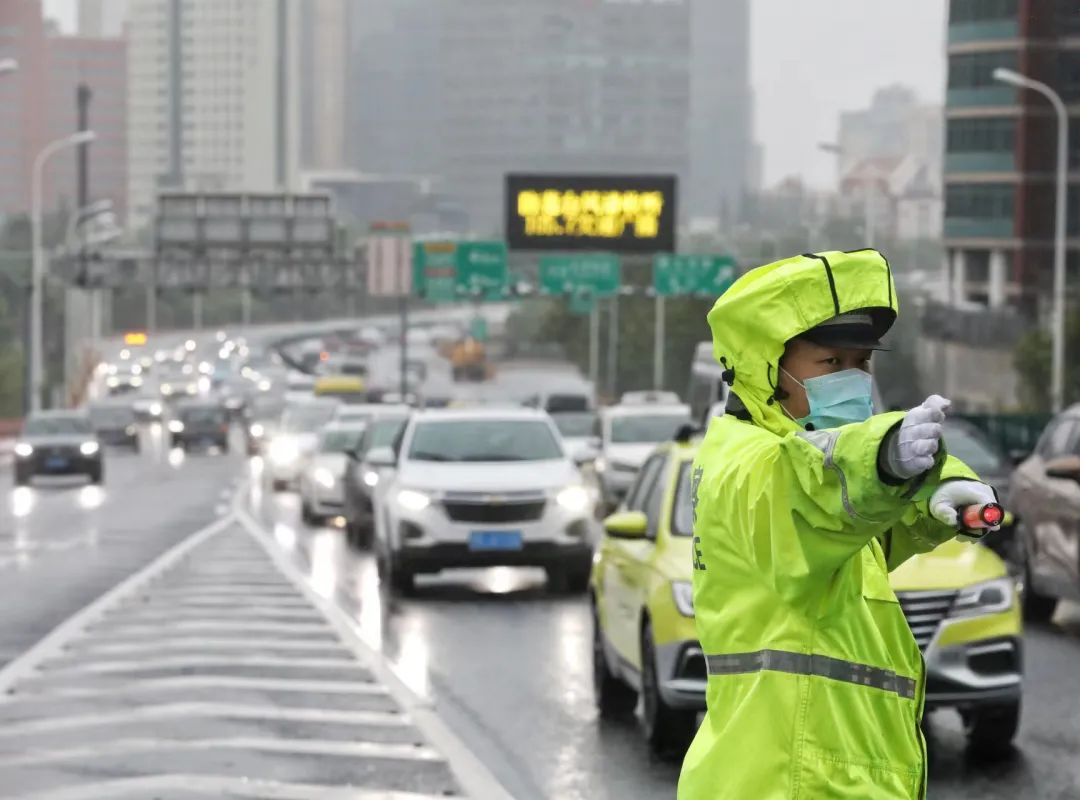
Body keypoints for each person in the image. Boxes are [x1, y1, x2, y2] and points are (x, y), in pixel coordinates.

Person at [677, 250, 998, 800]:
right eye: (830, 363)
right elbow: (812, 490)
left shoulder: (810, 476)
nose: (851, 380)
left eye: (861, 363)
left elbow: (862, 522)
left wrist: (939, 491)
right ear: (764, 366)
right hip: (789, 781)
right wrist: (885, 458)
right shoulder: (746, 461)